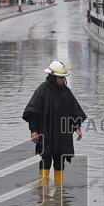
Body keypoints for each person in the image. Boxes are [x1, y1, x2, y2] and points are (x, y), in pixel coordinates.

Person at [22, 60, 87, 188]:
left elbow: (74, 111)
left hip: (62, 135)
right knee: (46, 159)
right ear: (53, 77)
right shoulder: (42, 90)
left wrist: (77, 127)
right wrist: (34, 131)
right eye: (61, 78)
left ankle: (59, 190)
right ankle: (43, 189)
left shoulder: (66, 92)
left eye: (63, 78)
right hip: (45, 133)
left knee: (60, 160)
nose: (63, 80)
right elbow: (32, 112)